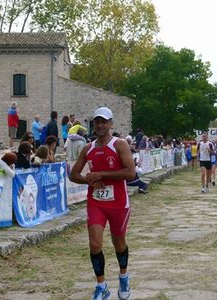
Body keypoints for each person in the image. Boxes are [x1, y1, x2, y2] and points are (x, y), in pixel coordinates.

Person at [69, 107, 135, 300]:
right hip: (96, 202)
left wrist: (102, 174)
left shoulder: (119, 144)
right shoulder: (87, 148)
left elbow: (131, 173)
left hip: (118, 203)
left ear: (110, 124)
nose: (100, 125)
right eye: (97, 122)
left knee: (119, 243)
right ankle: (101, 286)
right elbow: (73, 174)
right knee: (95, 243)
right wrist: (89, 180)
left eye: (104, 122)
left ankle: (123, 277)